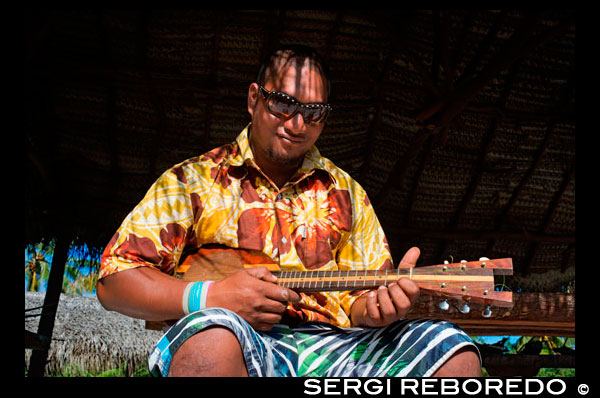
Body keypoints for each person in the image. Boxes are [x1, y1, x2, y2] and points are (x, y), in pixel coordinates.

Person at [97, 44, 481, 377]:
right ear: (253, 99)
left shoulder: (347, 191)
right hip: (235, 336)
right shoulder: (191, 181)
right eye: (283, 103)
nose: (297, 124)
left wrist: (378, 308)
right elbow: (114, 281)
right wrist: (210, 298)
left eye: (314, 112)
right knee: (210, 339)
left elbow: (362, 303)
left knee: (450, 348)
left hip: (338, 346)